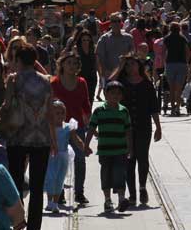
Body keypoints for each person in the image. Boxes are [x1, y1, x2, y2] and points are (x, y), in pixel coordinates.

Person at [2, 43, 55, 230]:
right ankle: (35, 226)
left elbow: (7, 106)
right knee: (37, 186)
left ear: (17, 60)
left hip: (17, 136)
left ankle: (18, 220)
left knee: (15, 183)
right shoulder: (46, 80)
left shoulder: (13, 80)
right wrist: (53, 139)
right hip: (41, 138)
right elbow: (50, 112)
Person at [111, 54, 162, 207]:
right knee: (129, 159)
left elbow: (154, 107)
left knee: (142, 157)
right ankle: (132, 193)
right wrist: (119, 67)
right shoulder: (121, 83)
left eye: (133, 64)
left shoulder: (147, 84)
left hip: (143, 126)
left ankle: (142, 187)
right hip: (125, 128)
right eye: (127, 65)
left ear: (139, 66)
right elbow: (109, 83)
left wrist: (158, 127)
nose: (130, 67)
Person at [84, 80, 133, 213]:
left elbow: (128, 130)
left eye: (118, 94)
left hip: (120, 150)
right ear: (105, 94)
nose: (115, 96)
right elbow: (91, 128)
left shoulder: (124, 111)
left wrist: (130, 147)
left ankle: (122, 199)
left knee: (120, 173)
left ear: (122, 96)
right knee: (106, 174)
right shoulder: (99, 111)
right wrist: (86, 145)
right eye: (112, 93)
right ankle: (107, 200)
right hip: (105, 151)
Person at [50, 52, 91, 206]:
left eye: (75, 63)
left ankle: (79, 192)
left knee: (80, 159)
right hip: (59, 128)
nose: (72, 66)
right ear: (62, 65)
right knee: (59, 161)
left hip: (77, 127)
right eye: (69, 63)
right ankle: (59, 193)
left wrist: (90, 121)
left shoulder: (81, 82)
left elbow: (86, 104)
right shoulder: (54, 83)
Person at [44, 100, 83, 213]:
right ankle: (49, 201)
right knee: (50, 178)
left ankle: (55, 203)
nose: (60, 116)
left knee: (59, 179)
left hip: (63, 156)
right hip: (51, 157)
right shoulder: (48, 127)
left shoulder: (68, 127)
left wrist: (83, 147)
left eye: (62, 113)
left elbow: (76, 139)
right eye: (57, 113)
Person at [95, 14, 135, 96]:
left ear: (121, 23)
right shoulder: (104, 38)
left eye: (118, 21)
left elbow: (133, 51)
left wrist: (127, 55)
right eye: (114, 21)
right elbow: (99, 57)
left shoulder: (128, 37)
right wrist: (103, 73)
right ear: (110, 23)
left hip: (126, 74)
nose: (116, 23)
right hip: (110, 74)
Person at [162, 22, 191, 116]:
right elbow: (187, 51)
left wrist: (164, 63)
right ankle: (178, 108)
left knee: (171, 88)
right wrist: (187, 62)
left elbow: (163, 51)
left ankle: (172, 108)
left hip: (170, 64)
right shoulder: (183, 38)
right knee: (179, 89)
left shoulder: (167, 38)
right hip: (181, 64)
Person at [75, 30, 98, 104]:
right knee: (79, 98)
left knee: (90, 97)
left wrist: (101, 76)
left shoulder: (94, 49)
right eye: (84, 40)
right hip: (80, 76)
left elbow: (97, 63)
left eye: (87, 40)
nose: (86, 41)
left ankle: (89, 114)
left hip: (92, 76)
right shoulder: (76, 49)